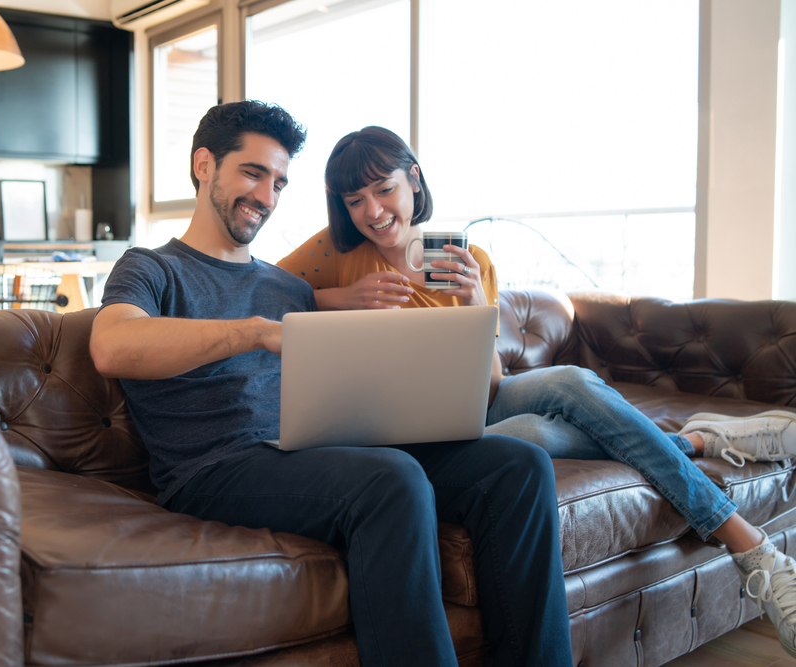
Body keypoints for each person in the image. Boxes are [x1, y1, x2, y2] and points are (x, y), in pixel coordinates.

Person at [276, 124, 796, 659]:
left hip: (479, 405)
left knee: (570, 381)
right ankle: (695, 443)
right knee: (524, 440)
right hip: (415, 433)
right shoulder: (336, 253)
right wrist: (340, 298)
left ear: (413, 179)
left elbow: (495, 383)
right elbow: (257, 286)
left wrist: (479, 307)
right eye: (355, 200)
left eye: (383, 189)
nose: (373, 211)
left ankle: (749, 546)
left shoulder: (468, 259)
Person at [90, 101, 574, 666]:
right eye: (252, 173)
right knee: (391, 479)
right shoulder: (152, 268)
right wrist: (251, 334)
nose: (267, 197)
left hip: (313, 450)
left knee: (517, 466)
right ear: (204, 165)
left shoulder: (286, 287)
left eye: (279, 182)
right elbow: (111, 346)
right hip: (216, 468)